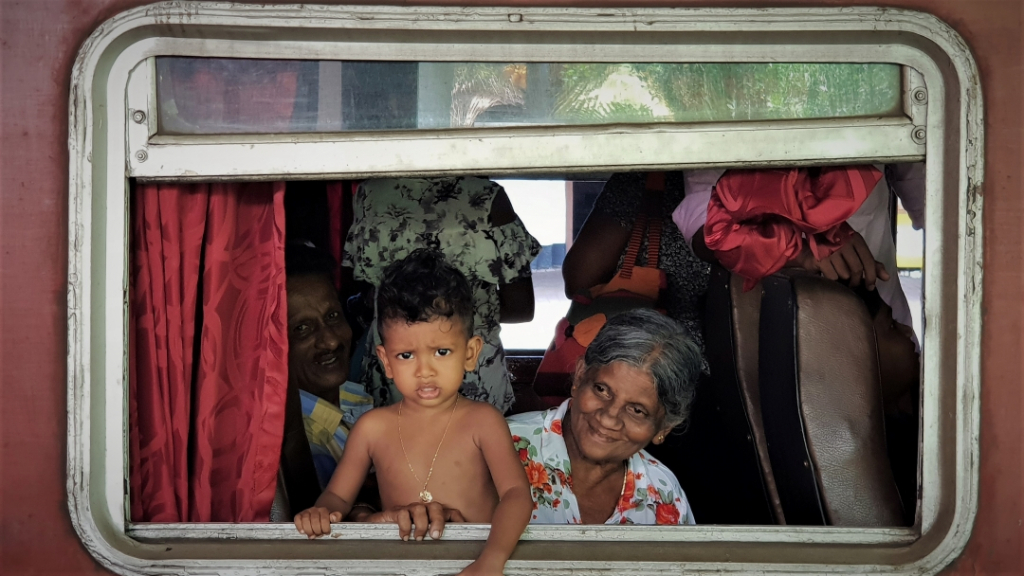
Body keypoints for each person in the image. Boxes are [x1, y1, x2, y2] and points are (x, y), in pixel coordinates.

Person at [294, 250, 533, 576]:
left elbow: (516, 496)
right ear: (386, 360)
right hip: (402, 568)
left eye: (442, 351)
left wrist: (492, 559)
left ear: (471, 353)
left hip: (476, 564)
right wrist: (321, 512)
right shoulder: (372, 428)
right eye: (406, 355)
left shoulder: (483, 421)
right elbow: (337, 496)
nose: (425, 370)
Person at [344, 177, 541, 413]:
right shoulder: (487, 198)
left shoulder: (370, 193)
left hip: (397, 375)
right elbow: (521, 308)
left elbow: (369, 296)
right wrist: (458, 314)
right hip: (470, 376)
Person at [673, 163, 924, 344]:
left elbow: (940, 209)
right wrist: (800, 252)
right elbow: (702, 225)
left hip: (885, 333)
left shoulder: (880, 100)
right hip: (779, 341)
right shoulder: (727, 105)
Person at [508, 308, 700, 524]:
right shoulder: (498, 448)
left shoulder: (663, 494)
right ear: (580, 377)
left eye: (637, 410)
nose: (608, 418)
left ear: (665, 427)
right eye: (601, 390)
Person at [562, 172, 710, 354]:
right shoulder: (749, 179)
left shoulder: (647, 177)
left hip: (636, 360)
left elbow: (580, 279)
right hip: (735, 359)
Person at [284, 242, 373, 490]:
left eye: (333, 316)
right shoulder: (304, 444)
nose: (332, 340)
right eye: (302, 328)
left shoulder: (356, 396)